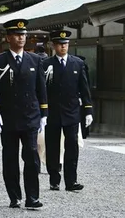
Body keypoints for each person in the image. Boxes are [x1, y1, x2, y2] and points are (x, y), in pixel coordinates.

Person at [0, 19, 48, 209]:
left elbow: (41, 88)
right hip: (8, 116)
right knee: (10, 157)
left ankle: (32, 197)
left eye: (23, 34)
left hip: (30, 115)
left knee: (31, 156)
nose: (20, 38)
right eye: (16, 34)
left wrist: (44, 113)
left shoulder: (35, 60)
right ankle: (15, 196)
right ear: (8, 37)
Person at [43, 30, 93, 192]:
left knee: (72, 146)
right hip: (53, 111)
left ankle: (71, 181)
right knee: (52, 146)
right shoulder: (46, 64)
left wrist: (88, 110)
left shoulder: (77, 63)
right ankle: (54, 179)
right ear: (54, 46)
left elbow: (84, 89)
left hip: (71, 111)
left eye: (65, 44)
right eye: (59, 44)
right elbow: (41, 89)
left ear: (68, 45)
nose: (63, 47)